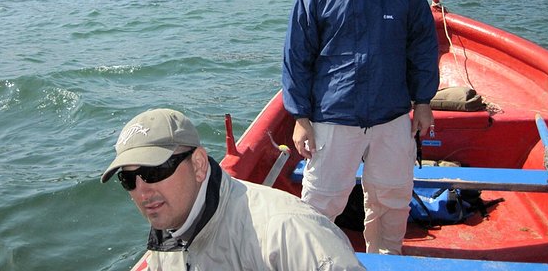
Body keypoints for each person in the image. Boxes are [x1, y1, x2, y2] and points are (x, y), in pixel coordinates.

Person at [282, 0, 439, 255]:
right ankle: (317, 260)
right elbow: (297, 56)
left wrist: (424, 101)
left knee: (393, 198)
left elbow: (422, 46)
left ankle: (387, 260)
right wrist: (300, 118)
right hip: (334, 115)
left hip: (392, 114)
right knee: (320, 203)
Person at [101, 108, 365, 270]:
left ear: (198, 164)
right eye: (128, 180)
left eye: (153, 172)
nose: (141, 190)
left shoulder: (288, 233)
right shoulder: (167, 237)